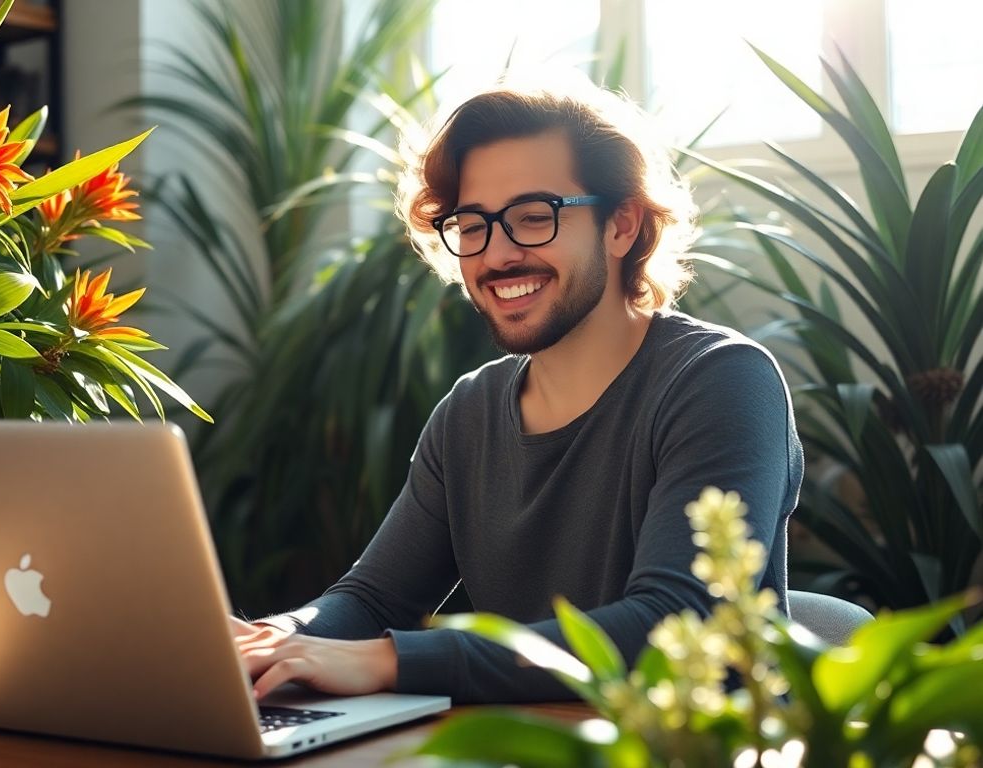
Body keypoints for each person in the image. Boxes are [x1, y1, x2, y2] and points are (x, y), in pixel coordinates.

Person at [230, 80, 804, 704]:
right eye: (472, 225)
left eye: (534, 217)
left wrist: (392, 660)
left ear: (621, 224)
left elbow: (676, 624)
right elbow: (373, 598)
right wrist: (274, 640)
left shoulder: (721, 380)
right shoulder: (469, 413)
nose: (497, 254)